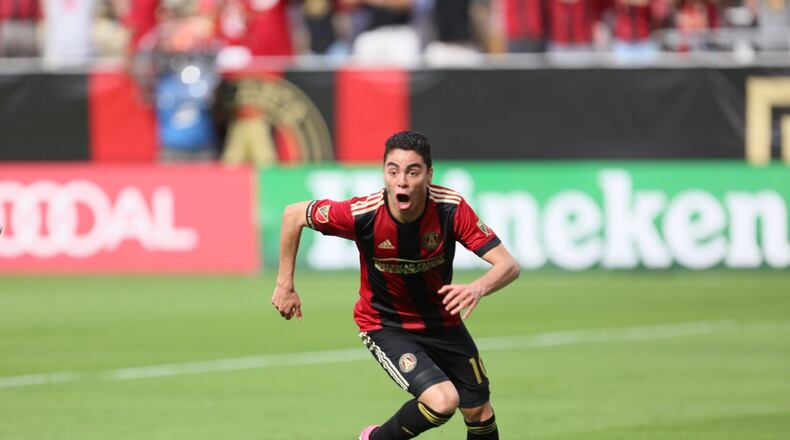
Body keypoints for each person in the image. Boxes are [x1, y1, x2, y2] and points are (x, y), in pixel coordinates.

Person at [271, 130, 520, 440]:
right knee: (443, 401)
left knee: (480, 413)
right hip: (386, 324)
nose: (402, 180)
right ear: (384, 173)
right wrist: (285, 284)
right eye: (393, 170)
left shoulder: (450, 209)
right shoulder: (362, 214)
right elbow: (293, 215)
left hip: (443, 323)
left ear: (429, 174)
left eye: (412, 171)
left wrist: (477, 288)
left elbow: (508, 265)